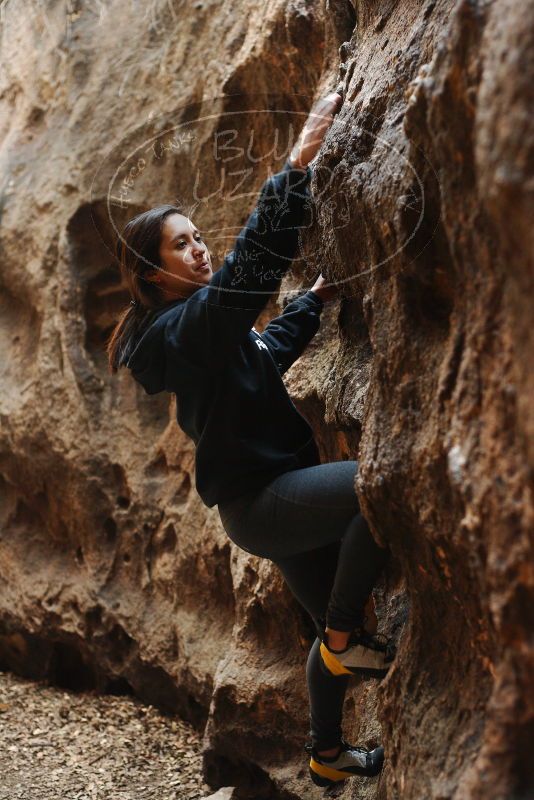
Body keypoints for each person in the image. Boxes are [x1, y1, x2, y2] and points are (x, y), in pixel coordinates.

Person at [107, 92, 396, 789]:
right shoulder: (182, 330)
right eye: (181, 243)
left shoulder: (203, 334)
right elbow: (244, 283)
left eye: (198, 234)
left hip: (266, 504)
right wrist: (294, 168)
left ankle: (327, 751)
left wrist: (315, 303)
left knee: (327, 621)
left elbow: (261, 349)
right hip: (263, 503)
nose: (199, 246)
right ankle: (345, 641)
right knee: (377, 491)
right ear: (152, 274)